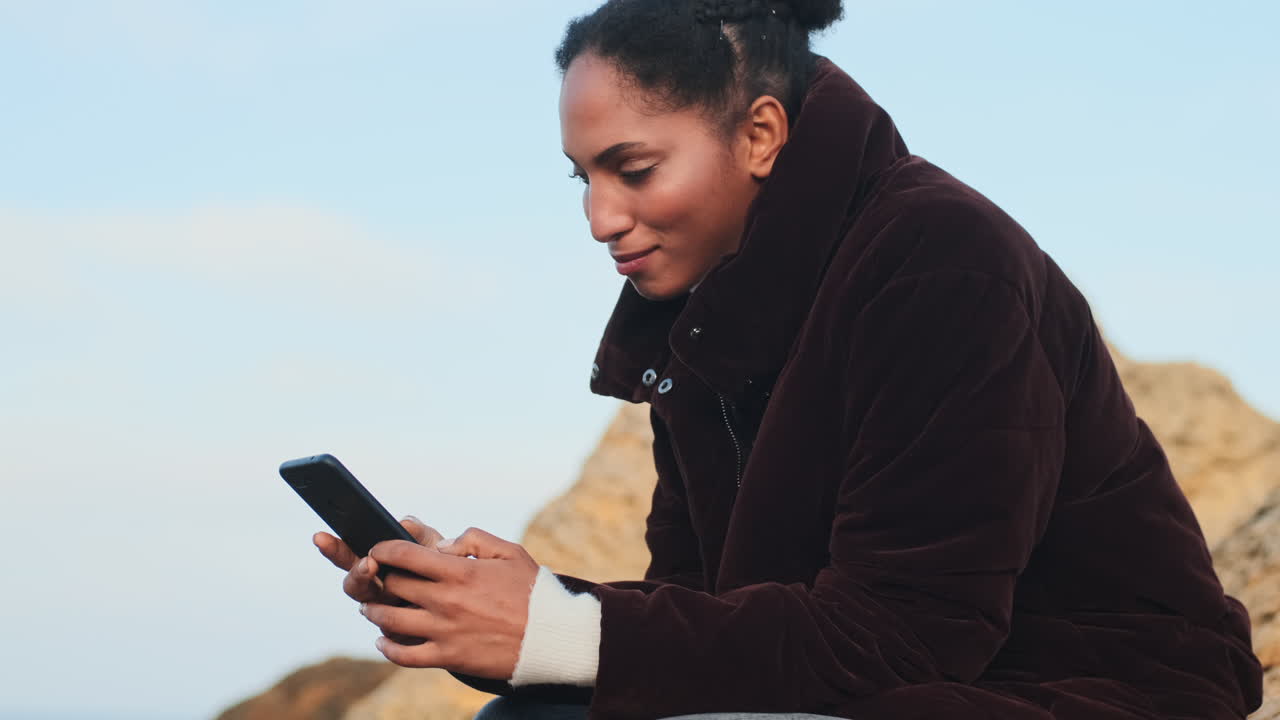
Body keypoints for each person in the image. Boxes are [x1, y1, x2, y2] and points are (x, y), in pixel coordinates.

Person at [312, 1, 1266, 718]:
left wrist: (557, 630)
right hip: (892, 679)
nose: (600, 219)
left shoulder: (940, 265)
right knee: (534, 713)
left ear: (760, 134)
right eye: (584, 177)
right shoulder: (699, 314)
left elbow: (907, 637)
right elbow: (706, 610)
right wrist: (512, 613)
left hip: (1098, 690)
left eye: (634, 170)